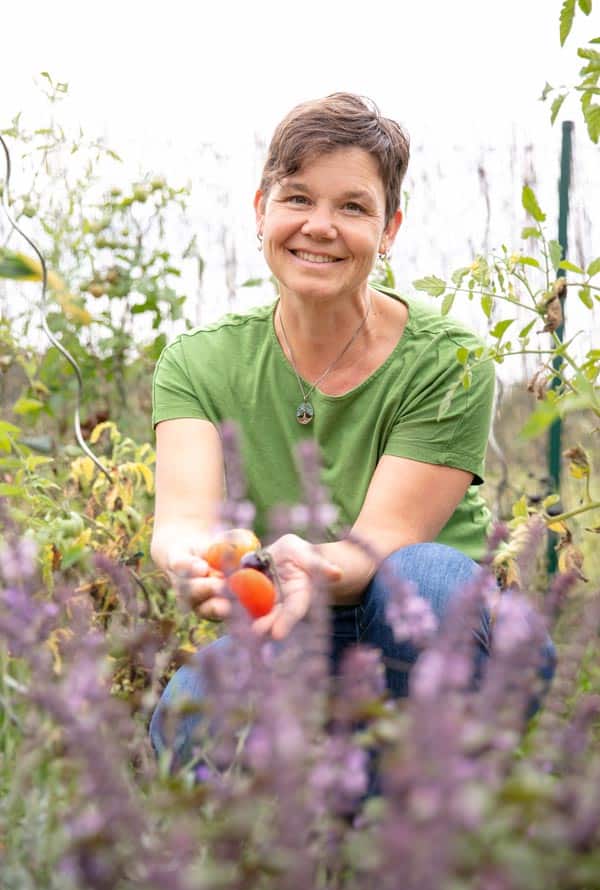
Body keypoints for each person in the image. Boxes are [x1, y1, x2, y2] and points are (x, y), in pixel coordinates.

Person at [148, 93, 554, 767]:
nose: (320, 226)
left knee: (420, 576)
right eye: (297, 198)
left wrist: (310, 562)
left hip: (452, 626)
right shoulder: (198, 361)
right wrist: (199, 562)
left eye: (353, 207)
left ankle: (419, 810)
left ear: (389, 229)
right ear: (261, 210)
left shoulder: (447, 360)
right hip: (297, 624)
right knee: (190, 721)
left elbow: (384, 545)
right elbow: (182, 521)